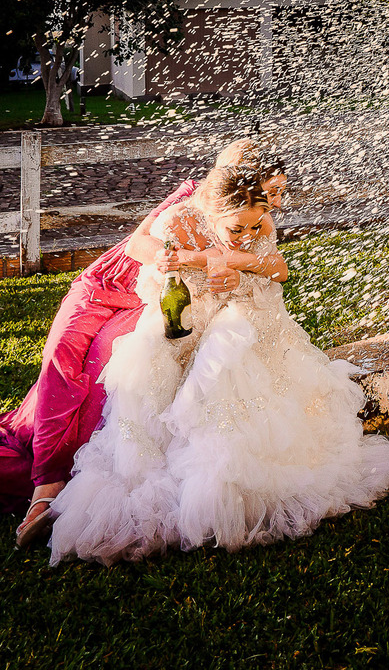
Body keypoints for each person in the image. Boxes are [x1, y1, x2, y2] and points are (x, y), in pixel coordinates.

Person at [47, 166, 389, 565]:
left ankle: (221, 482)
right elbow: (152, 283)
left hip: (233, 314)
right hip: (186, 317)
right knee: (145, 362)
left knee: (226, 354)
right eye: (237, 228)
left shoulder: (257, 218)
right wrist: (186, 269)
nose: (249, 235)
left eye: (254, 227)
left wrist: (239, 268)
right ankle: (148, 470)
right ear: (213, 211)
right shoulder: (177, 221)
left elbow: (278, 269)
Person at [3, 138, 287, 548]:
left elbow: (271, 265)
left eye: (278, 192)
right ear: (241, 180)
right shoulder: (194, 199)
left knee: (104, 365)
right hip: (109, 282)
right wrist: (193, 258)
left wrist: (228, 268)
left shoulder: (253, 216)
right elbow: (139, 245)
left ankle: (68, 470)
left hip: (148, 297)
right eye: (272, 189)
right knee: (62, 357)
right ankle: (44, 488)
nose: (278, 199)